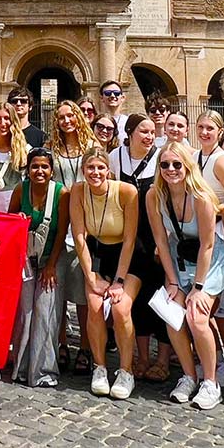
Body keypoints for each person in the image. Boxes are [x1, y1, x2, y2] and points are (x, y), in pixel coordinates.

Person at [148, 141, 224, 410]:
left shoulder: (202, 198)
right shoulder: (154, 196)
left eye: (176, 164)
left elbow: (208, 244)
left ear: (187, 166)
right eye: (165, 165)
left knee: (196, 316)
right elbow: (161, 241)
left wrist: (197, 287)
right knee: (172, 315)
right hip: (178, 260)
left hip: (208, 263)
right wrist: (172, 281)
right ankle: (188, 375)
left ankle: (210, 381)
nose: (171, 169)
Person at [69, 147, 140, 400]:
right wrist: (90, 277)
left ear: (108, 169)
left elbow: (131, 240)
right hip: (97, 252)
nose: (95, 172)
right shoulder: (78, 191)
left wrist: (119, 281)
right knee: (94, 304)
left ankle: (126, 370)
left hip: (127, 256)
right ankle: (99, 367)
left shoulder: (126, 192)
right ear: (83, 170)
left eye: (100, 167)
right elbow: (79, 236)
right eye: (90, 168)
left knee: (121, 309)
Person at [109, 114, 170, 383]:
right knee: (140, 302)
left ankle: (163, 359)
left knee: (162, 298)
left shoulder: (161, 158)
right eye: (144, 131)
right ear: (130, 133)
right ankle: (143, 357)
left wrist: (164, 240)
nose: (149, 136)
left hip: (157, 238)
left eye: (152, 132)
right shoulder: (115, 157)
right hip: (128, 238)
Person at [7, 148, 69, 387]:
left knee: (46, 313)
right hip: (25, 258)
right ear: (28, 169)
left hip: (52, 258)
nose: (39, 171)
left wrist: (51, 265)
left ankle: (44, 371)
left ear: (51, 170)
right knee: (25, 313)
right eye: (35, 166)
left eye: (44, 167)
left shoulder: (62, 193)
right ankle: (21, 368)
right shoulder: (21, 189)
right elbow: (9, 222)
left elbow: (62, 231)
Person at [49, 100, 94, 373]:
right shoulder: (53, 150)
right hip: (59, 222)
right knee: (60, 290)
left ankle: (86, 347)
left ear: (78, 117)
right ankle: (62, 343)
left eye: (70, 115)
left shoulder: (91, 149)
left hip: (85, 223)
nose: (66, 121)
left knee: (82, 293)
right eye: (61, 117)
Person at [192, 111, 224, 200]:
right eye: (200, 127)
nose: (204, 132)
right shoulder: (195, 156)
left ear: (220, 131)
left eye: (210, 128)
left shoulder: (221, 161)